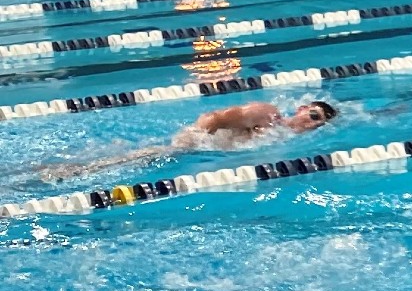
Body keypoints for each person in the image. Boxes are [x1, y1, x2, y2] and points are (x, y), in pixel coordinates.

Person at [37, 99, 338, 182]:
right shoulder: (268, 114)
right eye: (313, 115)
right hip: (193, 148)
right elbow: (216, 117)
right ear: (301, 108)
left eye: (318, 123)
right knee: (131, 160)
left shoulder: (285, 140)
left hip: (204, 160)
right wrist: (193, 138)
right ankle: (65, 172)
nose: (312, 123)